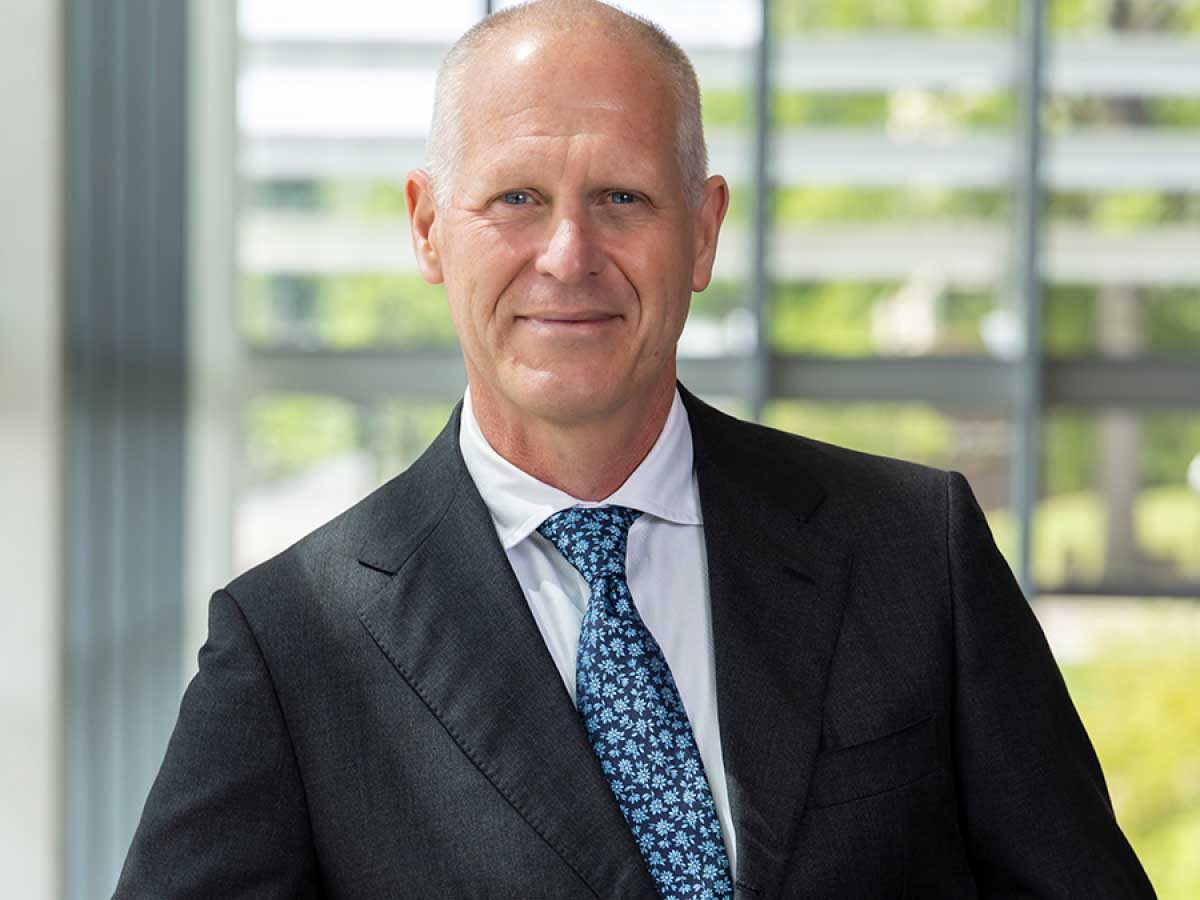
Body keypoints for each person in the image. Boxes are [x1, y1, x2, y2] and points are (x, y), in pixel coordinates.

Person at [115, 2, 1156, 898]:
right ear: (428, 227)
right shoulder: (292, 645)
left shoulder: (916, 553)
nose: (569, 255)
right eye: (517, 198)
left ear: (702, 230)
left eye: (622, 197)